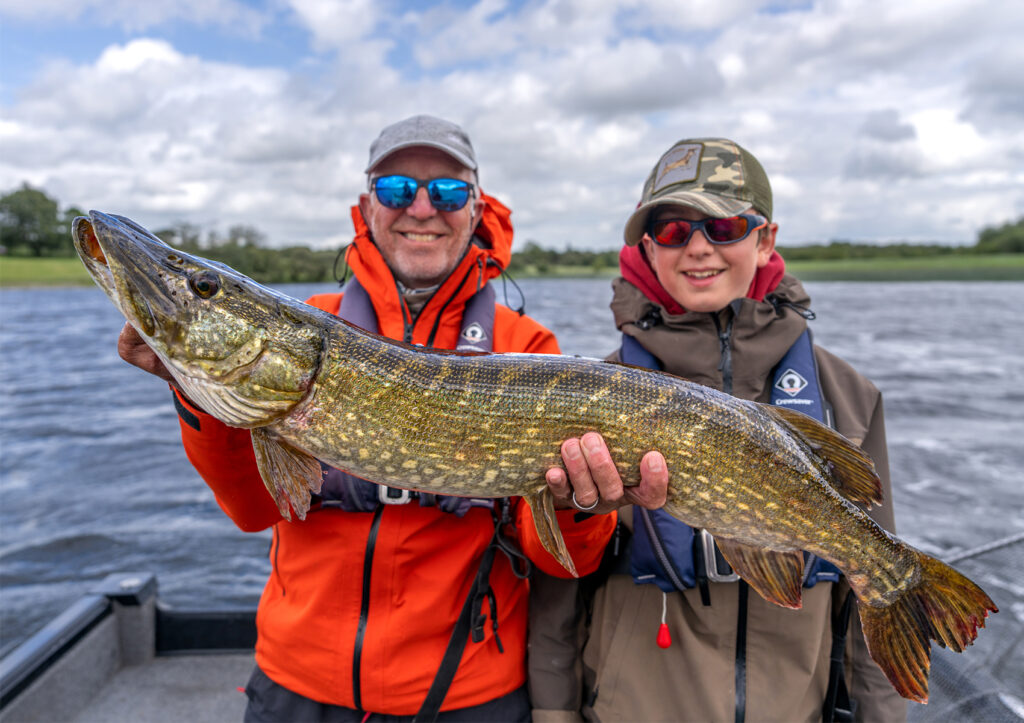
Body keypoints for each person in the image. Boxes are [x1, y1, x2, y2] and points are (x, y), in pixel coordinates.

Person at [117, 114, 667, 722]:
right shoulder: (304, 323)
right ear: (367, 207)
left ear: (477, 208)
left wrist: (577, 503)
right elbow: (252, 510)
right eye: (397, 189)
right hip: (297, 684)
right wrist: (200, 391)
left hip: (468, 694)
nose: (423, 208)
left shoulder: (529, 349)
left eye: (449, 191)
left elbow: (561, 558)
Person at [538, 138, 907, 722]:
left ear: (765, 242)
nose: (699, 248)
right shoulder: (588, 394)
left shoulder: (846, 396)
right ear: (646, 248)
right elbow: (555, 597)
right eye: (673, 230)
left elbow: (871, 601)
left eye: (726, 226)